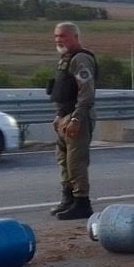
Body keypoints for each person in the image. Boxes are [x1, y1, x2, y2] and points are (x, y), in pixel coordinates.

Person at [47, 21, 97, 220]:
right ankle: (68, 199)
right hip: (64, 117)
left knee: (76, 163)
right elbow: (64, 90)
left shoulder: (81, 59)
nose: (59, 40)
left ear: (75, 37)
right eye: (57, 36)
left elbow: (86, 92)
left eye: (64, 36)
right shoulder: (65, 59)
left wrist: (76, 118)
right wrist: (59, 117)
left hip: (77, 118)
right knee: (64, 161)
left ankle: (82, 203)